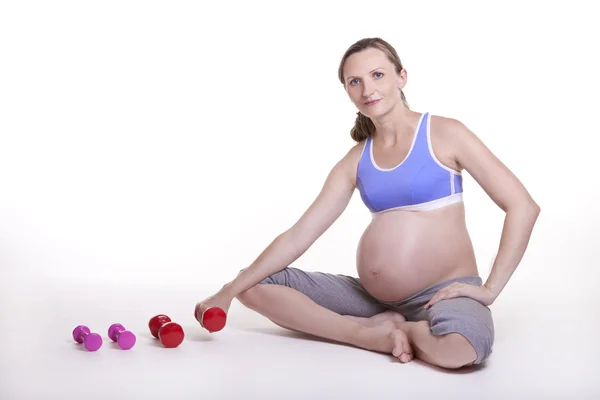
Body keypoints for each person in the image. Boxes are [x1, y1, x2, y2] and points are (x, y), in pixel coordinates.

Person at [194, 37, 540, 369]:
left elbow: (522, 206)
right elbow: (300, 235)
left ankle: (399, 330)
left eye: (377, 75)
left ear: (401, 77)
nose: (367, 89)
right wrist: (226, 292)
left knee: (461, 349)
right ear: (346, 91)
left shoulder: (445, 133)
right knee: (253, 285)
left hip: (443, 293)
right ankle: (366, 334)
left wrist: (491, 289)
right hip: (371, 299)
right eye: (354, 81)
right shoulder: (356, 160)